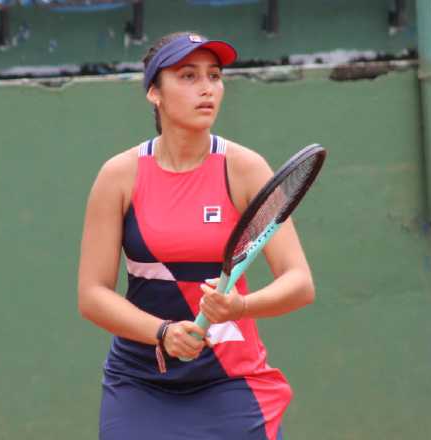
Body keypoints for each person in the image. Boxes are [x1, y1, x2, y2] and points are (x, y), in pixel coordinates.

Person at [77, 31, 315, 440]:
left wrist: (239, 306)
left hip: (231, 381)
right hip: (140, 381)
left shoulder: (245, 168)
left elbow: (299, 283)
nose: (207, 89)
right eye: (188, 76)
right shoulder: (119, 176)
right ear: (154, 92)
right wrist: (162, 333)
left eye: (215, 76)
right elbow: (93, 295)